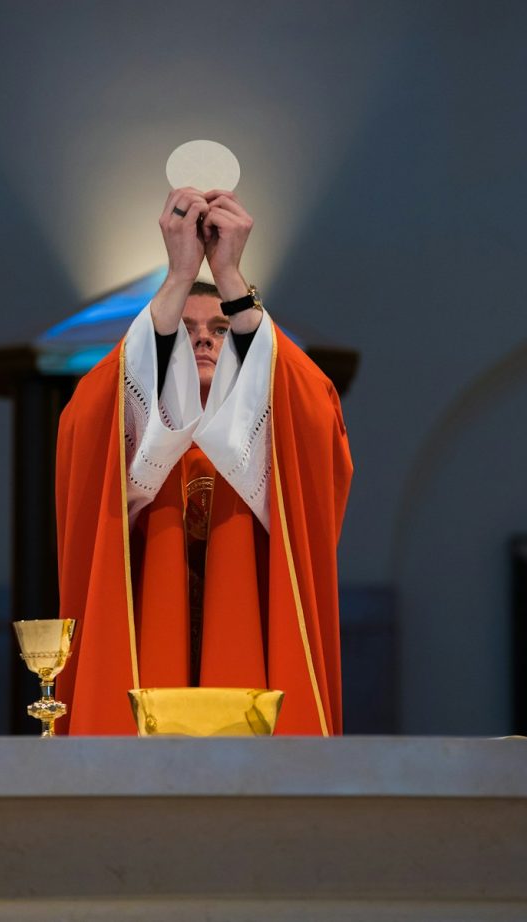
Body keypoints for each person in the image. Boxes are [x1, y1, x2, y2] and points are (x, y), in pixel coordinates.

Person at [55, 187, 353, 735]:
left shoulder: (265, 439)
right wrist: (176, 279)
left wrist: (233, 279)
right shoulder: (141, 432)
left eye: (220, 329)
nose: (204, 342)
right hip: (149, 645)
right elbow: (83, 421)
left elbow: (317, 415)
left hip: (254, 647)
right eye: (185, 330)